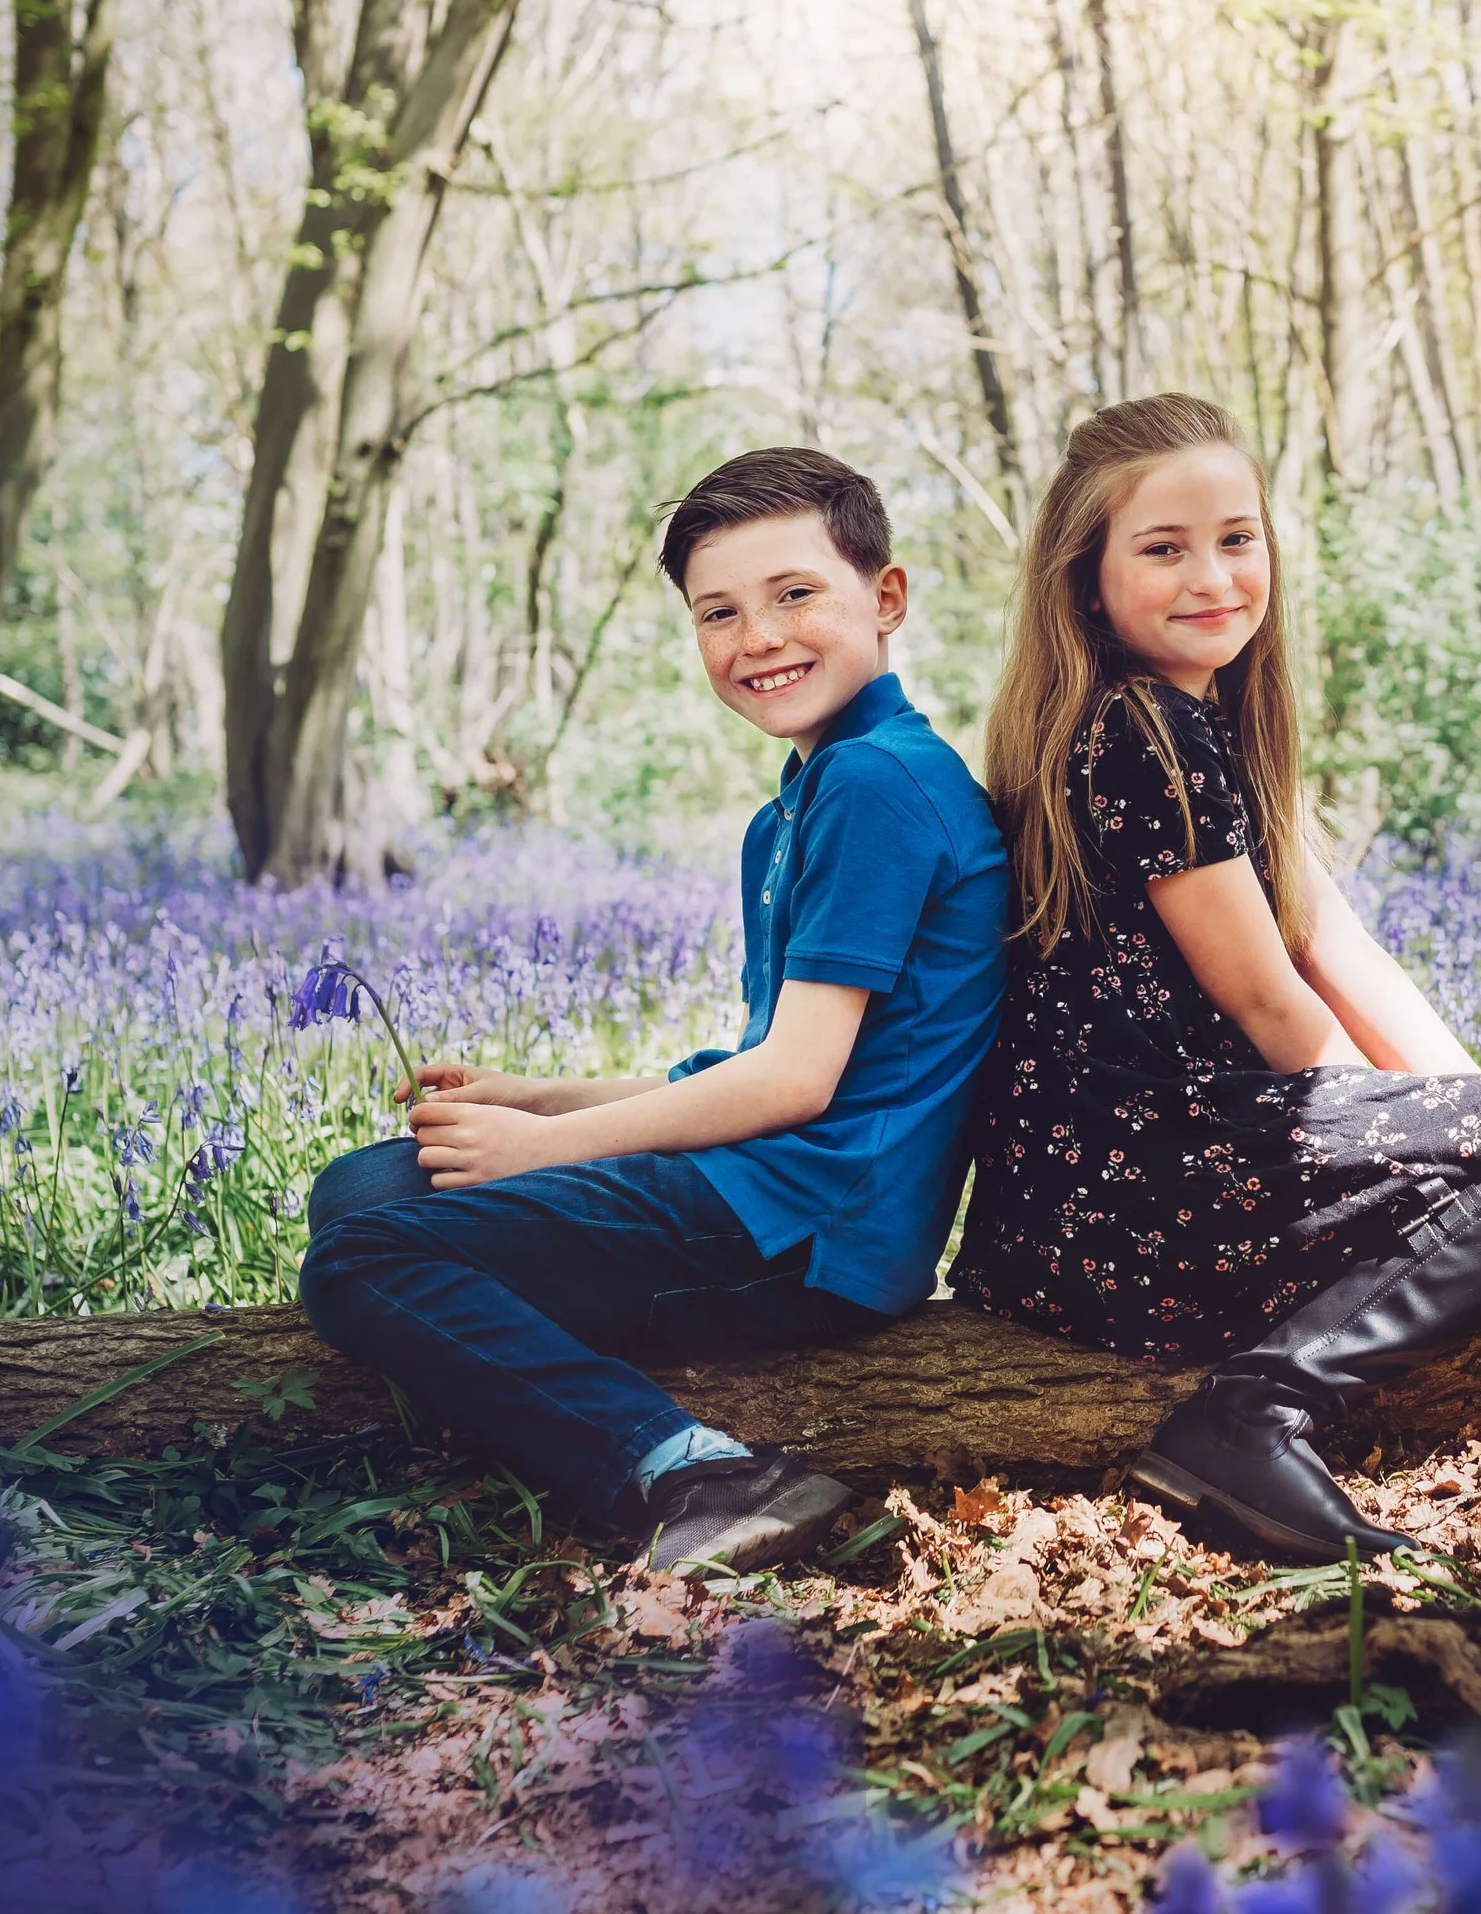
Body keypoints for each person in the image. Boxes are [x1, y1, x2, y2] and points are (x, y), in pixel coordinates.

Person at [949, 394, 1481, 1561]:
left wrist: (1473, 1110)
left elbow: (1336, 949)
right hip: (1137, 1198)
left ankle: (1261, 1401)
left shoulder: (1196, 723)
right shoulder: (1140, 736)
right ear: (1087, 581)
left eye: (1236, 536)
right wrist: (1464, 1147)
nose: (1211, 574)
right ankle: (1248, 1415)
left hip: (1094, 1200)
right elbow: (1275, 1010)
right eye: (1162, 548)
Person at [301, 449, 1008, 1574]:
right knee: (362, 1188)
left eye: (794, 595)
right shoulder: (804, 800)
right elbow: (759, 1061)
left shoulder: (880, 784)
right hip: (771, 1190)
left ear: (886, 598)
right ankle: (551, 1344)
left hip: (815, 1229)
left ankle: (695, 1468)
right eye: (717, 612)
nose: (758, 637)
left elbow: (794, 1085)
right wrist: (533, 1097)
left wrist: (544, 1147)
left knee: (361, 1261)